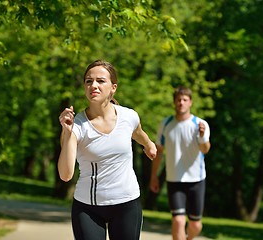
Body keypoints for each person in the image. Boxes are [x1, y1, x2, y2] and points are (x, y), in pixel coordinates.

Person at [58, 59, 157, 240]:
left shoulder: (129, 116)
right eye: (89, 81)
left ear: (113, 87)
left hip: (127, 203)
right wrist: (66, 132)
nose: (93, 85)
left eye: (100, 81)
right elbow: (65, 175)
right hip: (88, 207)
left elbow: (138, 132)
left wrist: (149, 144)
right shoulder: (77, 126)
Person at [149, 86, 211, 240]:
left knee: (195, 225)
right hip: (174, 180)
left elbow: (205, 149)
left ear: (190, 102)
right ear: (174, 103)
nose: (181, 103)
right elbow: (158, 152)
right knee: (178, 220)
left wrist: (202, 136)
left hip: (196, 180)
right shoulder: (165, 124)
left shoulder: (200, 124)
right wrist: (154, 176)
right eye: (178, 100)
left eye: (185, 100)